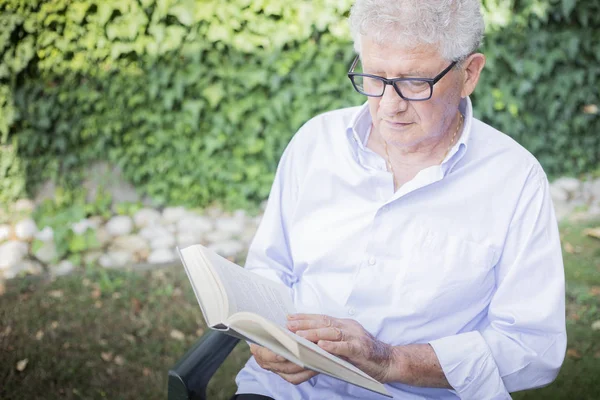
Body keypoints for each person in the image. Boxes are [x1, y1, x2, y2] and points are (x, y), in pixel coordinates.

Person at [232, 0, 566, 399]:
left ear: (469, 73)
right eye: (374, 76)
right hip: (285, 391)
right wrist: (268, 335)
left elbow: (534, 347)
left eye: (414, 82)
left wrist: (393, 361)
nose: (389, 105)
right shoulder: (315, 142)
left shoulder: (515, 179)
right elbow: (270, 267)